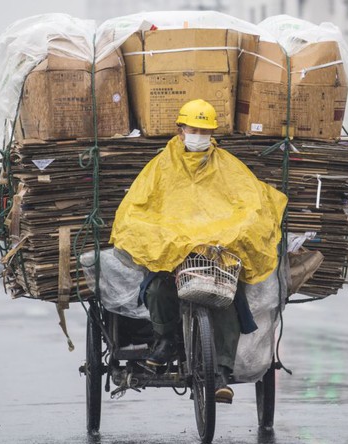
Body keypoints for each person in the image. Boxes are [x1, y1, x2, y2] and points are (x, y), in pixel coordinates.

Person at [110, 99, 287, 404]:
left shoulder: (227, 165)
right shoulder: (161, 166)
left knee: (228, 300)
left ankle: (220, 371)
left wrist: (231, 233)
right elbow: (138, 209)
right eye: (194, 129)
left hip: (217, 256)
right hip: (172, 254)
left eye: (205, 130)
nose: (199, 135)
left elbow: (251, 204)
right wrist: (165, 237)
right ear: (180, 130)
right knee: (157, 290)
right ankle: (165, 341)